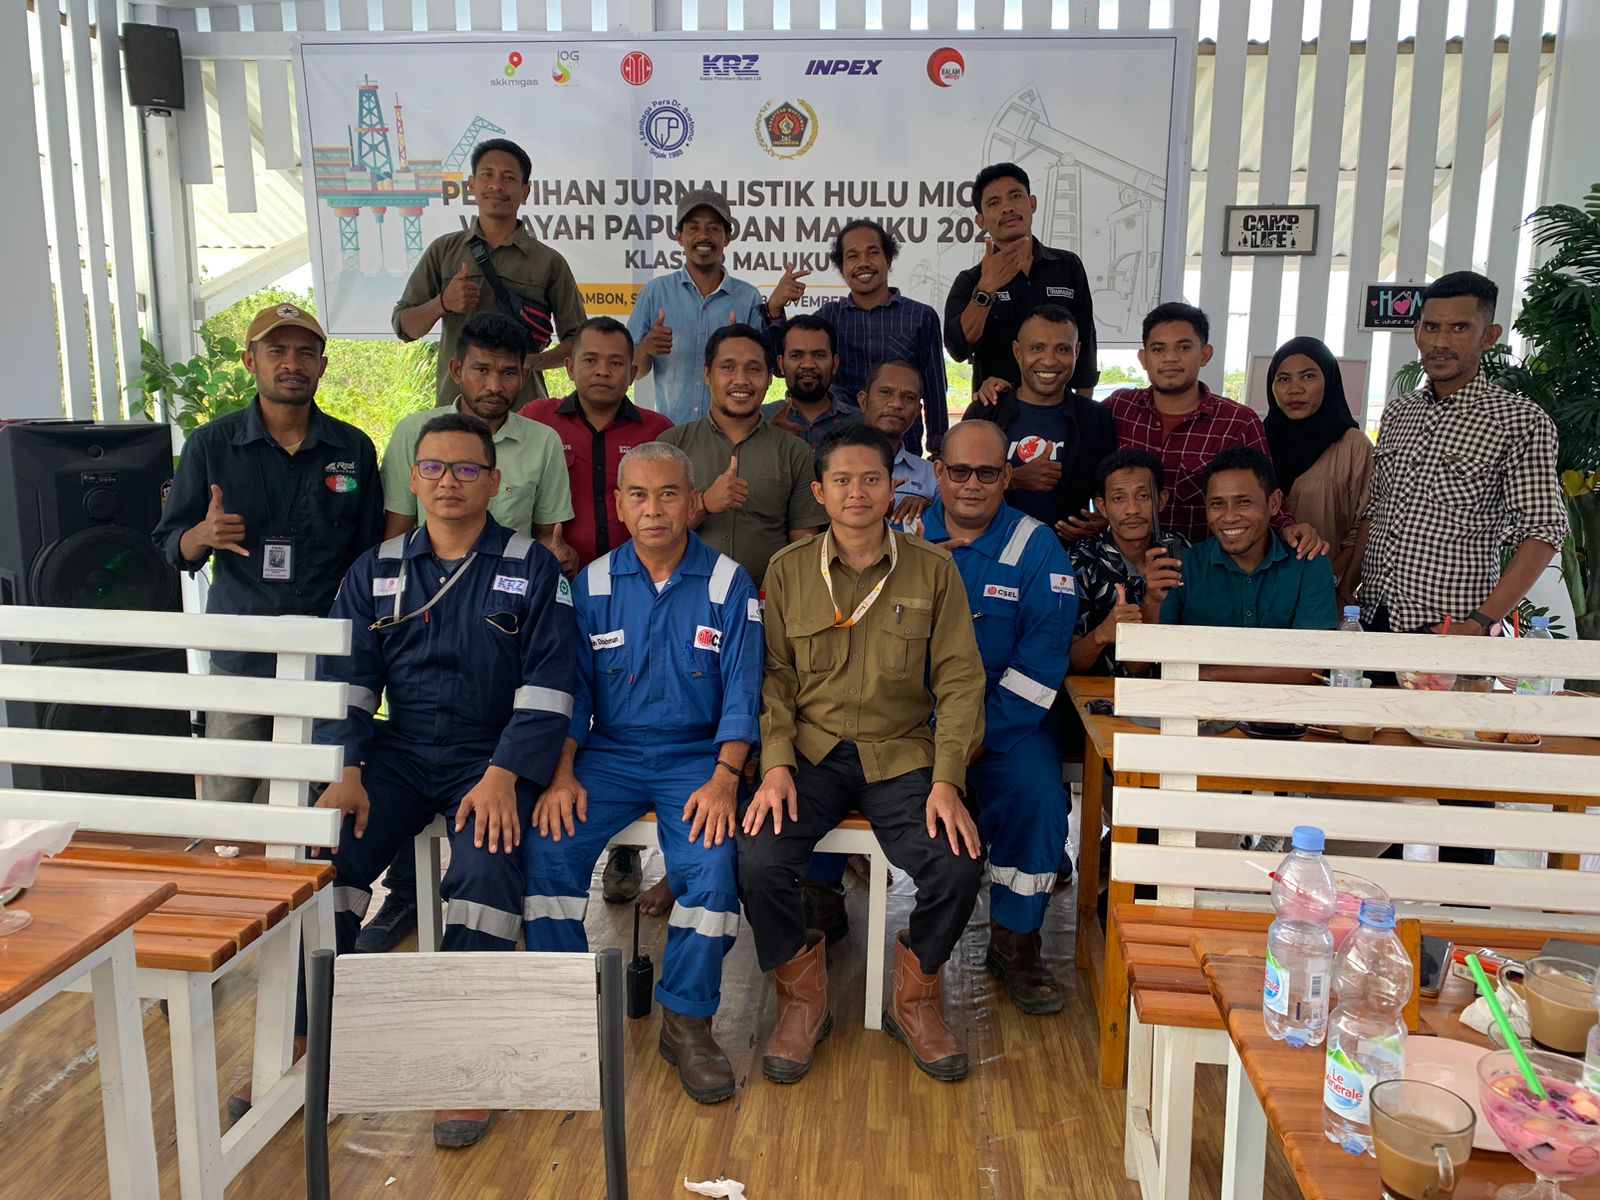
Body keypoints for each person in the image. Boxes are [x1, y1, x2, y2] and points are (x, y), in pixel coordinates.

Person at [307, 412, 577, 1148]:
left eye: (465, 469)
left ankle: (467, 1058)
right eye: (433, 468)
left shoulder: (532, 566)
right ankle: (312, 1036)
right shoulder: (376, 569)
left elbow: (551, 685)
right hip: (397, 753)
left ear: (494, 481)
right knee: (326, 855)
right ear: (413, 478)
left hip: (491, 757)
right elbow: (347, 681)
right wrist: (347, 769)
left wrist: (503, 776)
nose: (448, 481)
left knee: (486, 872)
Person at [739, 424, 986, 1084]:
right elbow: (774, 678)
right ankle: (802, 999)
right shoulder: (788, 570)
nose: (857, 492)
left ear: (893, 487)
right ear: (819, 492)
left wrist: (947, 779)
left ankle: (917, 996)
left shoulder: (933, 570)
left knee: (958, 863)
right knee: (756, 857)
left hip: (900, 754)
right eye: (842, 480)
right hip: (811, 754)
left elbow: (961, 679)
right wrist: (776, 764)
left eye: (871, 479)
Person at [522, 443, 761, 1105]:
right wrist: (562, 775)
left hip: (697, 758)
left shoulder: (728, 583)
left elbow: (744, 692)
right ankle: (567, 1007)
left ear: (692, 501)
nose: (654, 509)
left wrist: (725, 779)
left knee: (712, 866)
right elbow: (573, 693)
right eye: (639, 495)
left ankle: (687, 1020)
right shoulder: (592, 585)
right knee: (547, 847)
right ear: (620, 506)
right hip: (609, 754)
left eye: (668, 494)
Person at [152, 302, 383, 805]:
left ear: (322, 365)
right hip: (242, 653)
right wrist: (202, 535)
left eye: (306, 353)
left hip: (328, 654)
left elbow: (369, 557)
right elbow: (172, 547)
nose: (292, 364)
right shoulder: (210, 445)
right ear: (249, 361)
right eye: (277, 350)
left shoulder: (354, 449)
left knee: (326, 798)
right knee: (228, 800)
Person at [921, 421, 1077, 1015]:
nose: (973, 484)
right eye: (959, 470)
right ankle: (824, 911)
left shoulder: (1037, 548)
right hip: (915, 724)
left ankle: (1016, 942)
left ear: (1008, 477)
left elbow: (1043, 658)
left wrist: (974, 739)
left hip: (1008, 722)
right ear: (939, 472)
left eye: (988, 472)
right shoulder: (902, 534)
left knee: (1038, 797)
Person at [1359, 271, 1567, 638]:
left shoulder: (1520, 421)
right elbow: (1377, 511)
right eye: (1431, 327)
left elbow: (1544, 530)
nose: (1440, 342)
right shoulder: (1399, 412)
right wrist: (1348, 588)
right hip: (1376, 615)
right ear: (1417, 333)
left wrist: (1480, 622)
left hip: (1451, 625)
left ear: (1489, 336)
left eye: (1459, 328)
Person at [1108, 302, 1326, 556]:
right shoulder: (1119, 408)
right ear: (1143, 358)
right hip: (1123, 564)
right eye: (1158, 349)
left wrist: (1289, 528)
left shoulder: (1238, 422)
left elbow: (1263, 493)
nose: (1170, 358)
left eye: (1184, 347)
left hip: (1205, 567)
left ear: (1205, 354)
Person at [393, 138, 585, 405]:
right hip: (457, 409)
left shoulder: (548, 262)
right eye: (487, 175)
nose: (497, 185)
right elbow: (404, 327)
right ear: (471, 185)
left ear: (525, 191)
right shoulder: (444, 250)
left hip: (522, 411)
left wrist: (536, 361)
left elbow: (579, 342)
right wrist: (442, 303)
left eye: (509, 177)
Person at [381, 313, 575, 564]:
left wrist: (558, 552)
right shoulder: (414, 432)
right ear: (456, 371)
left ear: (524, 377)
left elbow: (546, 534)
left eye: (508, 373)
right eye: (482, 370)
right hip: (426, 580)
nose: (494, 386)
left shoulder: (544, 442)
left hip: (511, 581)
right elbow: (396, 533)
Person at [658, 323, 827, 589]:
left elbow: (803, 547)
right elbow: (655, 536)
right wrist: (704, 504)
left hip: (766, 599)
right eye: (728, 367)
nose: (741, 380)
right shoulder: (671, 446)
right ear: (707, 374)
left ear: (769, 377)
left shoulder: (794, 451)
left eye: (753, 369)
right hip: (683, 597)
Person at [1155, 446, 1337, 682]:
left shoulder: (1308, 563)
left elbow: (1310, 669)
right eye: (1217, 504)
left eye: (1243, 502)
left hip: (1286, 704)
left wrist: (1205, 675)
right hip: (1196, 703)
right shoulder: (1181, 567)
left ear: (1274, 503)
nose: (1229, 516)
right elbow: (1151, 656)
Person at [522, 316, 675, 567]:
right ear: (570, 368)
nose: (602, 371)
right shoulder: (537, 419)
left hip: (639, 577)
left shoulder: (659, 430)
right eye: (590, 360)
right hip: (556, 574)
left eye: (616, 363)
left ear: (632, 373)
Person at [944, 162, 1099, 399]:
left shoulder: (1068, 266)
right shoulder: (970, 280)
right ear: (981, 221)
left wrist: (1083, 410)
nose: (1007, 208)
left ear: (1032, 204)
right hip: (995, 409)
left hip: (1059, 409)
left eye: (1015, 196)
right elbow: (958, 348)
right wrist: (986, 289)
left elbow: (1085, 345)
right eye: (994, 203)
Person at [964, 305, 1118, 540]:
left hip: (1066, 553)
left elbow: (1108, 490)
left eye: (1062, 349)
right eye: (1037, 348)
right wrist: (1013, 479)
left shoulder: (1096, 418)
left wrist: (1104, 520)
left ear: (1077, 352)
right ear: (1017, 351)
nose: (1049, 360)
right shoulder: (985, 411)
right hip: (987, 548)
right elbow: (953, 482)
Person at [628, 189, 774, 425]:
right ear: (679, 236)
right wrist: (645, 349)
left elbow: (763, 371)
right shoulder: (655, 293)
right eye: (693, 228)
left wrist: (741, 349)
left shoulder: (748, 298)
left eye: (713, 228)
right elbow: (632, 371)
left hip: (731, 432)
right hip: (673, 431)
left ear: (727, 238)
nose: (703, 236)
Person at [806, 219, 949, 454]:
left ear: (888, 260)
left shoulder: (920, 316)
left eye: (872, 253)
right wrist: (775, 312)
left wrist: (938, 450)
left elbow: (935, 390)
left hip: (903, 450)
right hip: (842, 449)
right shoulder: (828, 317)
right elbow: (786, 367)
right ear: (842, 267)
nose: (863, 263)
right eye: (852, 256)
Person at [1264, 336, 1373, 607]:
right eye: (1284, 379)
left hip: (1327, 592)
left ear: (1329, 380)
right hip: (1260, 592)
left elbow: (1365, 526)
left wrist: (1338, 587)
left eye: (1309, 376)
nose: (1295, 389)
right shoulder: (1257, 440)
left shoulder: (1353, 445)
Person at [1068, 449, 1187, 677]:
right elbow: (1068, 662)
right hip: (1099, 694)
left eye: (1143, 496)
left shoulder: (1183, 552)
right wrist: (1102, 634)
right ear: (1102, 507)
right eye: (1119, 498)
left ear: (1161, 500)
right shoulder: (1079, 562)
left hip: (1181, 689)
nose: (1132, 509)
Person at [761, 315, 864, 448]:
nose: (808, 365)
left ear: (835, 364)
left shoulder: (860, 424)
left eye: (819, 355)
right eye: (797, 355)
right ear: (781, 364)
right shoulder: (760, 420)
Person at [859, 360, 938, 532]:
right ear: (863, 401)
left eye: (908, 397)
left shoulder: (932, 476)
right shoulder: (834, 466)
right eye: (885, 393)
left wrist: (931, 509)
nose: (896, 404)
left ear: (917, 411)